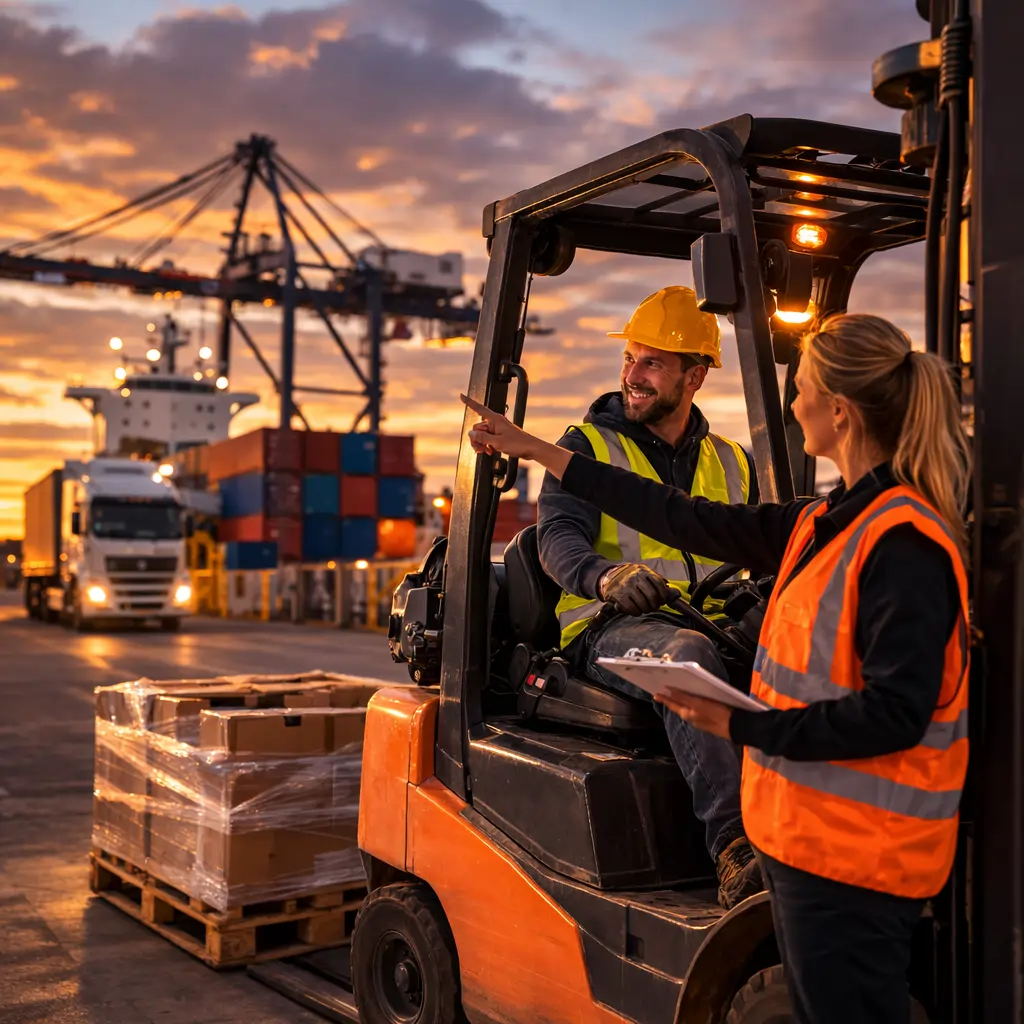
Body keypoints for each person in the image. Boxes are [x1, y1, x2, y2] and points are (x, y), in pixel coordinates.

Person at [463, 312, 970, 1024]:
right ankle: (732, 843)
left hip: (855, 855)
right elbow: (674, 515)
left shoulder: (892, 540)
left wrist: (745, 721)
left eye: (804, 390)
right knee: (686, 654)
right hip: (795, 825)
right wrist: (540, 453)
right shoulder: (825, 521)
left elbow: (894, 711)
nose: (792, 405)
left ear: (841, 414)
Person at [537, 285, 761, 909]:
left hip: (712, 617)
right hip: (609, 632)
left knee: (803, 640)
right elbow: (558, 537)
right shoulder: (585, 448)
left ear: (695, 375)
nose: (632, 375)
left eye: (652, 362)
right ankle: (737, 847)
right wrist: (603, 578)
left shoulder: (732, 460)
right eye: (630, 358)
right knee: (682, 659)